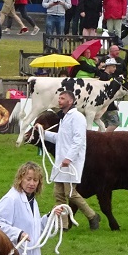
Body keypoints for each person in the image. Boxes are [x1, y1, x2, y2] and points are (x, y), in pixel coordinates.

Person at [41, 90, 100, 230]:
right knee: (58, 195)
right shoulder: (65, 118)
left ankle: (92, 215)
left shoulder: (77, 117)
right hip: (61, 162)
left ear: (70, 101)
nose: (59, 100)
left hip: (70, 162)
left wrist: (69, 158)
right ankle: (63, 226)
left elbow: (79, 139)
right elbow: (59, 139)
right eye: (59, 98)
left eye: (62, 98)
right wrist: (42, 133)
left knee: (70, 193)